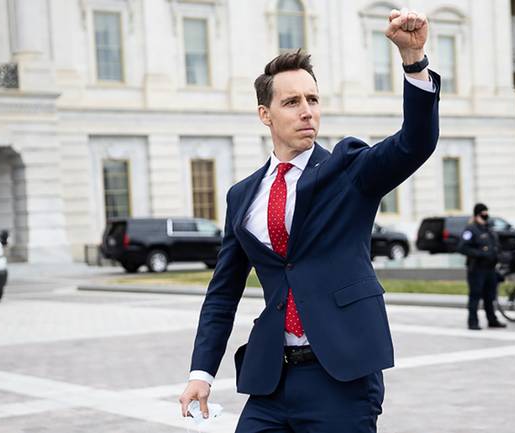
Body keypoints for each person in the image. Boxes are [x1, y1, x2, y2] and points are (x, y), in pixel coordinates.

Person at [178, 8, 439, 433]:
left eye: (313, 100)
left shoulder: (348, 170)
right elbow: (223, 292)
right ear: (266, 114)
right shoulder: (242, 196)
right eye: (292, 102)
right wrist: (201, 373)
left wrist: (414, 62)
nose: (307, 111)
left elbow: (415, 143)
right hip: (271, 382)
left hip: (341, 379)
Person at [457, 203, 506, 330]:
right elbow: (462, 247)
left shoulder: (488, 229)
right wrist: (481, 254)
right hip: (477, 268)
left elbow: (496, 246)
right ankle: (472, 322)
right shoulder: (471, 229)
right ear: (477, 214)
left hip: (490, 268)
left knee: (490, 296)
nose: (485, 215)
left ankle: (492, 320)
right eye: (483, 213)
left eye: (486, 212)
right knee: (475, 295)